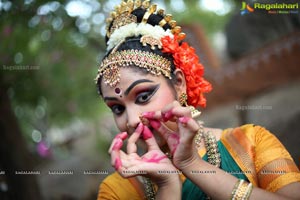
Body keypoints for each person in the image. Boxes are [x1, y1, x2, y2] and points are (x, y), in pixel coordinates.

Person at [95, 0, 300, 199]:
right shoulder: (117, 190)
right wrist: (167, 187)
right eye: (117, 108)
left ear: (179, 84)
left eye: (143, 96)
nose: (131, 120)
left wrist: (192, 163)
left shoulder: (252, 142)